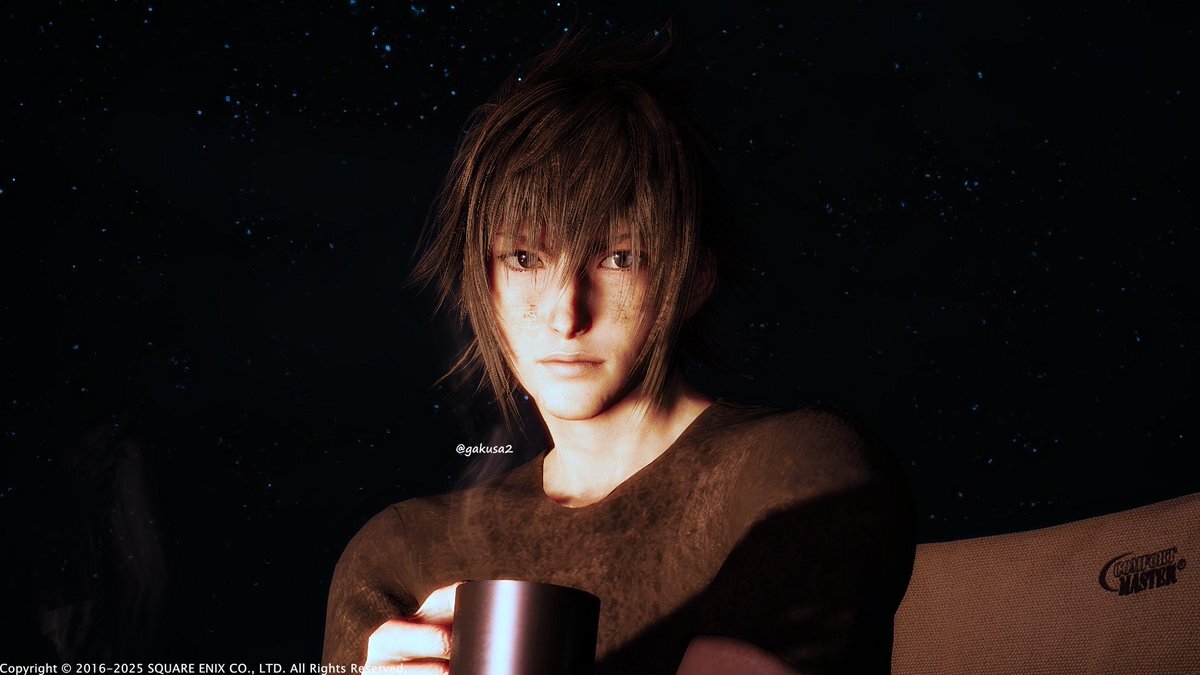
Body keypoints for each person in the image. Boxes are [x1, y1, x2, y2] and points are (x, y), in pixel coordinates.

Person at [322, 24, 916, 674]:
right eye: (525, 258)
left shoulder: (793, 469)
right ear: (481, 284)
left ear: (694, 278)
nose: (565, 314)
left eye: (617, 257)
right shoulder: (402, 554)